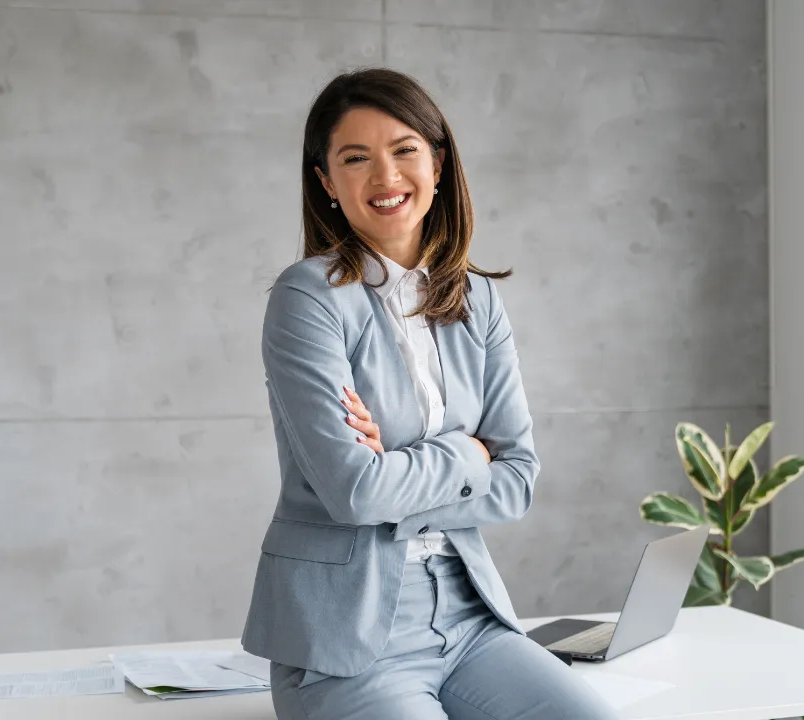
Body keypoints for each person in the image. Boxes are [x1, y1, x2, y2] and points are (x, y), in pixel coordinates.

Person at [241, 68, 618, 720]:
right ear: (327, 182)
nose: (385, 176)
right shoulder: (308, 298)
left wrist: (399, 471)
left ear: (438, 164)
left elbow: (520, 479)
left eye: (404, 150)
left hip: (471, 619)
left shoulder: (479, 300)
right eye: (355, 159)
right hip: (349, 639)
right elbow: (354, 492)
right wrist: (468, 457)